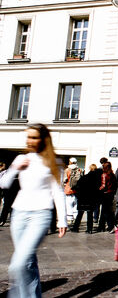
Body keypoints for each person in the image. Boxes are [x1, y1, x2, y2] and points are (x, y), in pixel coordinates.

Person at [0, 123, 67, 297]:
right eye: (28, 137)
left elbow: (58, 191)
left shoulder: (55, 162)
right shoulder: (21, 159)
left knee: (18, 263)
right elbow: (4, 183)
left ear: (44, 139)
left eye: (34, 137)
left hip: (41, 214)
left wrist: (62, 219)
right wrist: (15, 168)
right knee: (28, 261)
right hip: (19, 213)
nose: (30, 141)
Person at [71, 164, 99, 234]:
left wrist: (78, 194)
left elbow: (78, 186)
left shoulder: (85, 177)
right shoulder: (97, 178)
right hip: (92, 198)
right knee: (90, 214)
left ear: (90, 169)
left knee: (80, 213)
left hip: (83, 197)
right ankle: (89, 229)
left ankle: (75, 227)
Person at [97, 161, 117, 233]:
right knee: (105, 211)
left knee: (106, 211)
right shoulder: (112, 175)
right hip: (111, 194)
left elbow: (104, 185)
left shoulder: (104, 175)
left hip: (105, 194)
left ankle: (111, 226)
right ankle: (101, 226)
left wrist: (98, 189)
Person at [63, 157, 82, 225]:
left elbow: (65, 180)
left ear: (70, 162)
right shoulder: (79, 170)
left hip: (68, 189)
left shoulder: (67, 170)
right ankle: (76, 218)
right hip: (77, 190)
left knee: (69, 205)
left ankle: (70, 219)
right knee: (76, 205)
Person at [93, 157, 108, 223]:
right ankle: (102, 219)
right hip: (105, 190)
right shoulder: (107, 170)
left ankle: (95, 218)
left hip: (98, 190)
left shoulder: (97, 170)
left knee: (97, 205)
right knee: (104, 205)